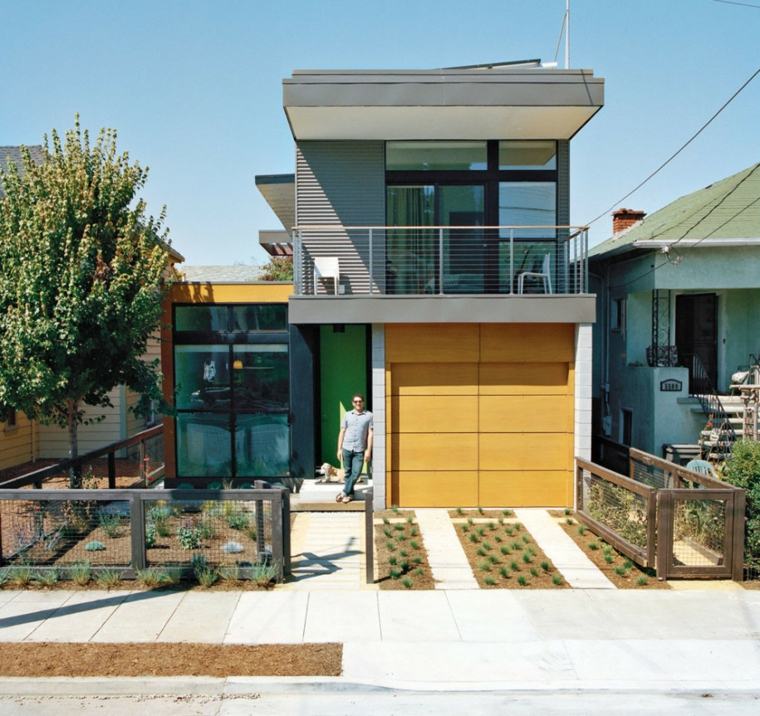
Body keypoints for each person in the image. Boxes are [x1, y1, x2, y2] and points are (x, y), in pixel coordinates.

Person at [336, 393, 373, 503]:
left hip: (360, 450)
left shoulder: (369, 415)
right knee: (347, 473)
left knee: (356, 473)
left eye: (360, 401)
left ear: (363, 402)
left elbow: (370, 433)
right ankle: (349, 495)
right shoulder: (347, 415)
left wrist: (368, 451)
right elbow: (342, 431)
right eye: (356, 401)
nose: (358, 403)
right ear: (353, 403)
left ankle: (344, 492)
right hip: (346, 447)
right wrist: (339, 449)